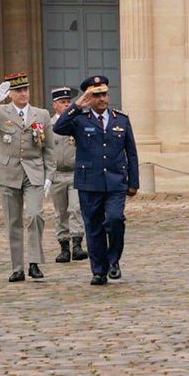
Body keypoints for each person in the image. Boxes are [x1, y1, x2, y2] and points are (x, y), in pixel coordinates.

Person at [52, 75, 139, 286]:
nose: (102, 99)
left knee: (115, 220)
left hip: (115, 181)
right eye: (96, 95)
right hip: (89, 181)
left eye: (104, 94)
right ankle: (99, 270)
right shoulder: (79, 119)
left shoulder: (121, 120)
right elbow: (58, 127)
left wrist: (133, 182)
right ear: (88, 97)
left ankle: (113, 260)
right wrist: (77, 105)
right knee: (93, 227)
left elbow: (131, 152)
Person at [0, 71, 54, 282]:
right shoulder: (0, 113)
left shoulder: (41, 114)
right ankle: (17, 267)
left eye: (25, 89)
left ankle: (34, 262)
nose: (23, 93)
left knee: (35, 215)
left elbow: (49, 148)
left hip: (34, 172)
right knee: (13, 221)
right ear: (10, 94)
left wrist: (49, 175)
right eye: (18, 90)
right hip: (8, 172)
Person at [47, 86, 87, 263]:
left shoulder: (76, 122)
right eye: (62, 102)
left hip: (75, 173)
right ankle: (64, 246)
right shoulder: (48, 126)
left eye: (68, 102)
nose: (66, 105)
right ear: (54, 105)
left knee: (76, 208)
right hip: (57, 174)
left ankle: (77, 244)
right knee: (61, 212)